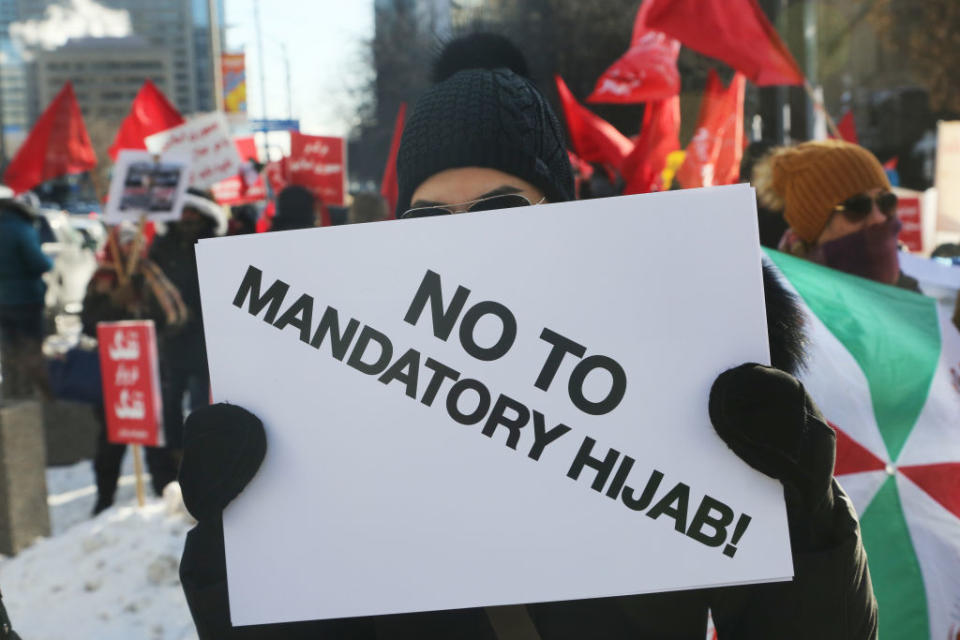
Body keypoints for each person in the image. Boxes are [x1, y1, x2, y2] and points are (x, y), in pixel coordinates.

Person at [178, 34, 876, 639]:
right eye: (428, 218)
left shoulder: (681, 385)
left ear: (561, 215)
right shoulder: (339, 416)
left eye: (501, 208)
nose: (466, 240)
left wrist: (801, 514)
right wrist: (234, 553)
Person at [81, 223, 188, 513]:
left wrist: (143, 306)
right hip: (116, 373)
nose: (130, 251)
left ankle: (163, 491)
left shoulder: (151, 273)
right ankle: (104, 499)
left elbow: (174, 316)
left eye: (134, 244)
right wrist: (115, 302)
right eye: (124, 245)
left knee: (156, 436)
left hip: (152, 368)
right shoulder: (102, 278)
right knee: (110, 439)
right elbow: (89, 324)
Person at [754, 139, 912, 288]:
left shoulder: (922, 299)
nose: (879, 218)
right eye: (857, 206)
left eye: (885, 201)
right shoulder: (786, 308)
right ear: (815, 227)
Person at [149, 190, 226, 456]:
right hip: (172, 337)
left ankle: (201, 451)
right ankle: (175, 452)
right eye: (183, 211)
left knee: (201, 401)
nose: (187, 216)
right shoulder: (161, 245)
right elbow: (151, 289)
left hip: (205, 337)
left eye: (193, 211)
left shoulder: (215, 243)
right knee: (170, 400)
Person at [0, 189, 53, 400]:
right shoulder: (21, 228)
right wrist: (49, 262)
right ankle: (30, 391)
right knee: (31, 346)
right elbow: (39, 262)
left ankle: (11, 391)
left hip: (2, 301)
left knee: (8, 348)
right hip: (26, 299)